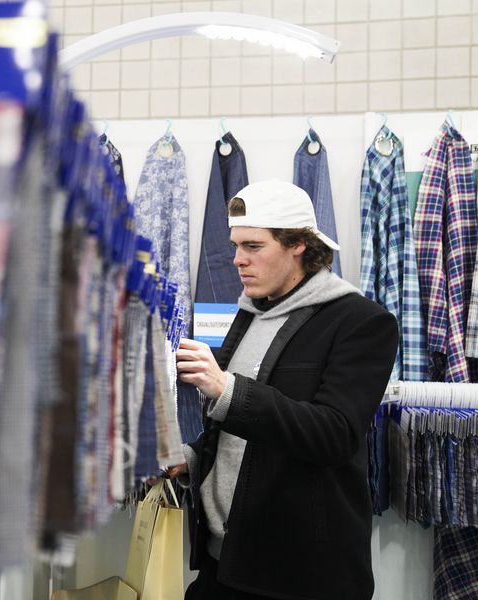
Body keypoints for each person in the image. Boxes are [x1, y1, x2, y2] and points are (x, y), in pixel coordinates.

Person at [170, 179, 398, 600]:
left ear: (298, 244)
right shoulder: (251, 312)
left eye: (253, 246)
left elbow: (334, 434)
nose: (237, 260)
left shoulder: (360, 322)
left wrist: (225, 388)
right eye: (236, 245)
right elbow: (242, 435)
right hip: (223, 562)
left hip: (298, 575)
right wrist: (189, 459)